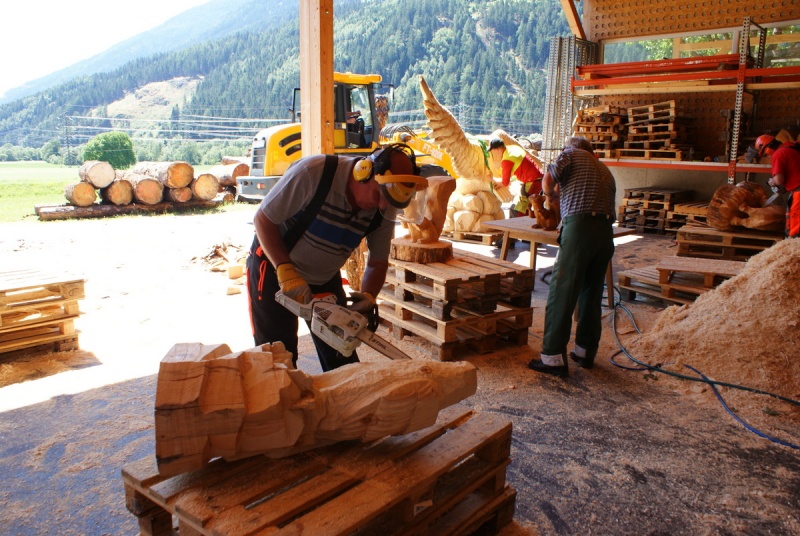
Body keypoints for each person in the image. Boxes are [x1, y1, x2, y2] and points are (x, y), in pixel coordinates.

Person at [246, 143, 426, 372]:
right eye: (378, 195)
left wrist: (369, 295)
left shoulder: (385, 205)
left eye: (390, 201)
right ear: (364, 172)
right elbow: (263, 219)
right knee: (278, 358)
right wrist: (285, 270)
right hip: (275, 266)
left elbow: (377, 262)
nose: (383, 205)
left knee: (342, 352)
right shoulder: (313, 173)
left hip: (324, 276)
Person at [528, 137, 616, 378]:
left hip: (580, 229)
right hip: (605, 233)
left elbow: (548, 180)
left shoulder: (571, 154)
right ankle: (585, 352)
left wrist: (548, 195)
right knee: (591, 292)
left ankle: (553, 358)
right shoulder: (604, 169)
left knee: (562, 291)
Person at [488, 138, 544, 248]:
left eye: (492, 151)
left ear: (498, 149)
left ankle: (509, 240)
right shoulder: (513, 149)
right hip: (537, 180)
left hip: (532, 183)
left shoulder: (506, 159)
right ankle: (529, 238)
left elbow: (505, 182)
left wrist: (492, 180)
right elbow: (515, 174)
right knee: (528, 210)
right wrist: (501, 182)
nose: (493, 154)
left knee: (516, 210)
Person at [755, 133, 800, 238]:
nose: (768, 157)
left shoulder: (778, 154)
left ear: (768, 148)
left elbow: (779, 180)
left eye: (765, 154)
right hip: (796, 190)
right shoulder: (791, 147)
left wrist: (772, 182)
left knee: (795, 231)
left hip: (798, 193)